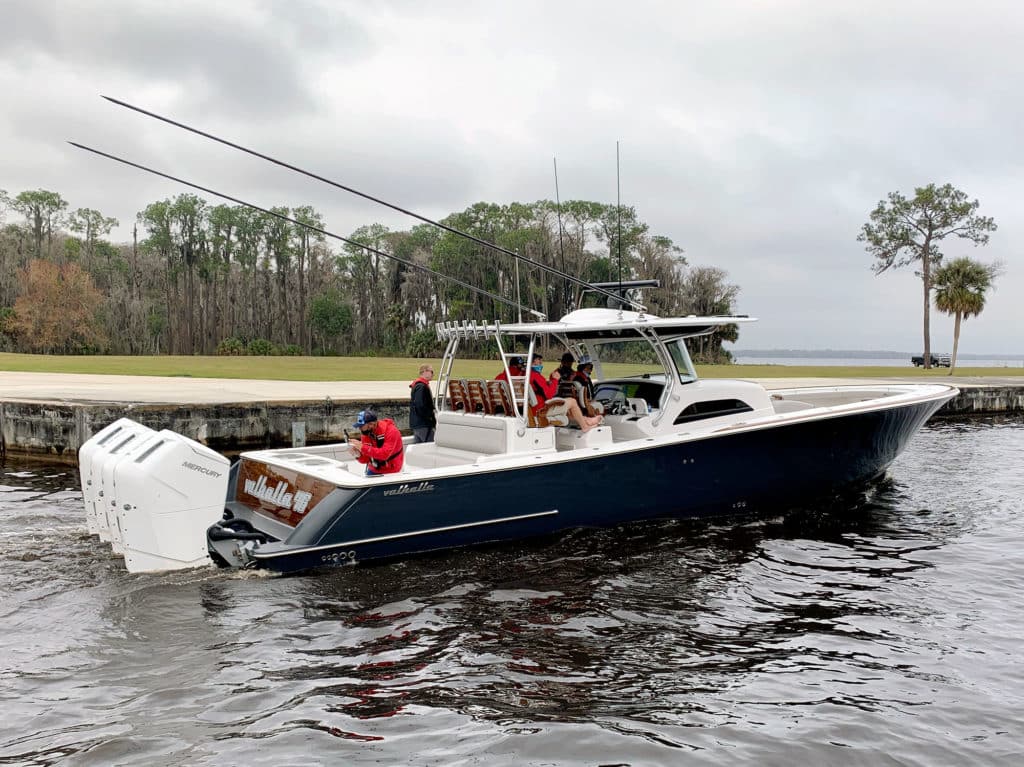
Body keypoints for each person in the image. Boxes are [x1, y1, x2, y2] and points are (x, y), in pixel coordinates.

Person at [526, 353, 603, 432]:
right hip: (541, 409)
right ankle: (585, 426)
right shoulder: (536, 376)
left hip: (534, 407)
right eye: (539, 361)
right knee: (572, 402)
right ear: (533, 362)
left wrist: (550, 382)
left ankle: (586, 420)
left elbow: (542, 390)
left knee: (568, 407)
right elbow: (549, 395)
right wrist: (555, 380)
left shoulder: (526, 375)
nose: (541, 363)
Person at [348, 409, 404, 476]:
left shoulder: (392, 431)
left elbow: (384, 455)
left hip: (391, 469)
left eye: (361, 426)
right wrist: (357, 455)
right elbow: (366, 459)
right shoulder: (366, 434)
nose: (360, 428)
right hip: (374, 468)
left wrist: (362, 447)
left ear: (371, 424)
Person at [409, 364, 436, 443]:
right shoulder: (421, 386)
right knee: (431, 446)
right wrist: (429, 418)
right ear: (425, 372)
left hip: (417, 423)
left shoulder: (418, 385)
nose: (433, 374)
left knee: (419, 446)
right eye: (431, 371)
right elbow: (420, 405)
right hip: (423, 424)